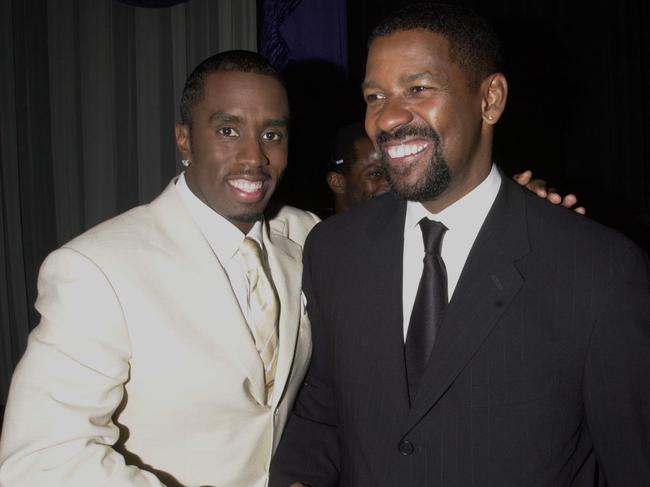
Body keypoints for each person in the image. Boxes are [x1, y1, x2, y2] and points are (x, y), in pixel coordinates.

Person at [270, 4, 650, 486]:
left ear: (489, 99)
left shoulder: (599, 271)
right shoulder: (334, 251)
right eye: (375, 96)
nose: (387, 119)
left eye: (418, 89)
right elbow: (323, 412)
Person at [0, 50, 319, 487]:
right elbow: (42, 461)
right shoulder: (96, 269)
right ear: (185, 139)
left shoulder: (309, 238)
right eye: (228, 130)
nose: (254, 157)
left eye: (272, 134)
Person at [326, 122, 585, 215]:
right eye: (376, 173)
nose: (390, 181)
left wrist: (518, 209)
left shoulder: (416, 233)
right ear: (337, 182)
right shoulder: (309, 243)